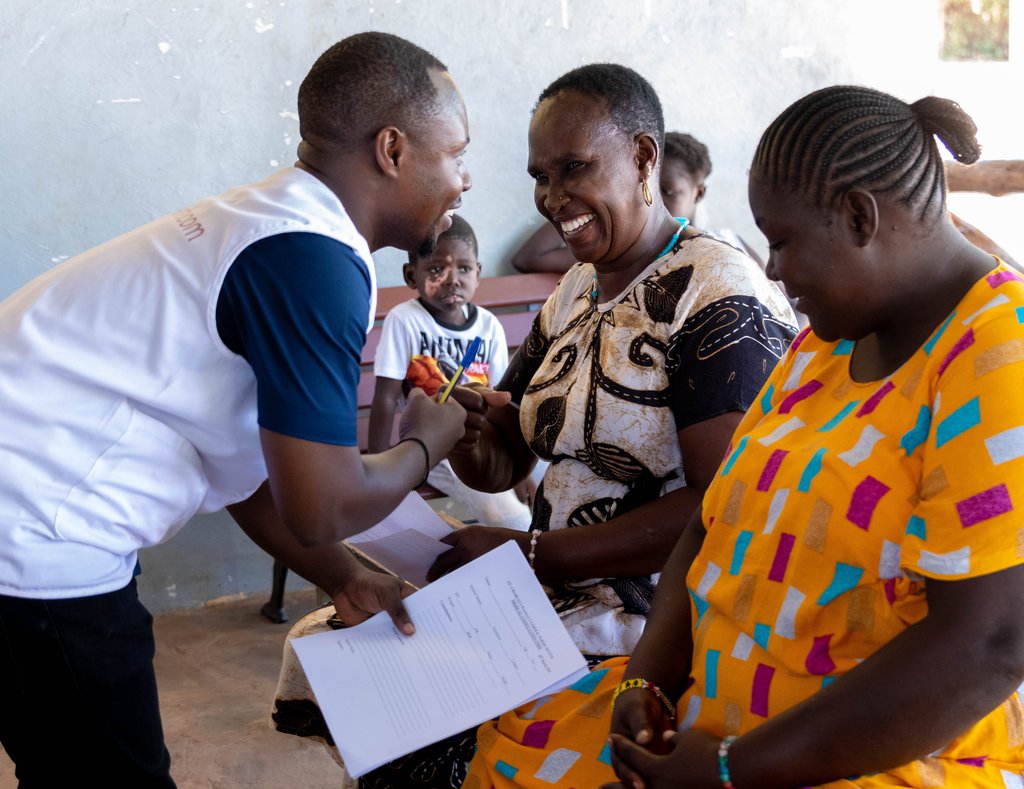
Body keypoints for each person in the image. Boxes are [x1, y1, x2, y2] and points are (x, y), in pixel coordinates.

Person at [463, 85, 1024, 789]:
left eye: (781, 242)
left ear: (860, 217)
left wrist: (733, 769)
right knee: (504, 745)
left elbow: (988, 643)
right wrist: (647, 682)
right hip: (717, 722)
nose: (775, 269)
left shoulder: (999, 356)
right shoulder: (826, 347)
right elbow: (712, 521)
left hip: (867, 757)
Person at [0, 31, 490, 787]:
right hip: (34, 527)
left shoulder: (277, 224)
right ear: (393, 149)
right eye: (456, 153)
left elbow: (250, 469)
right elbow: (322, 504)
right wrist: (430, 439)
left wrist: (341, 575)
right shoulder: (312, 260)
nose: (464, 179)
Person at [356, 62, 796, 789]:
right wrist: (470, 429)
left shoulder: (716, 292)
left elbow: (723, 509)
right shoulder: (575, 291)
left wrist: (532, 554)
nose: (552, 197)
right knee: (368, 666)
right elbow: (505, 453)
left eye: (574, 168)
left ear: (644, 157)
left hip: (650, 625)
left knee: (426, 724)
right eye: (540, 176)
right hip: (545, 590)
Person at [369, 213, 534, 530]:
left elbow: (503, 401)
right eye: (436, 269)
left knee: (555, 478)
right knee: (514, 520)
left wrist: (518, 468)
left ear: (478, 274)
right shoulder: (405, 320)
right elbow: (386, 397)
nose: (452, 279)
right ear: (411, 276)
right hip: (436, 449)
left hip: (486, 442)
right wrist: (378, 468)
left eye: (464, 268)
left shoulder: (488, 326)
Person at [509, 130, 762, 273]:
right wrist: (578, 206)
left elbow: (779, 298)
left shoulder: (729, 244)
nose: (655, 198)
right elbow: (528, 258)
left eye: (668, 191)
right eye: (647, 183)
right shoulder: (626, 251)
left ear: (699, 194)